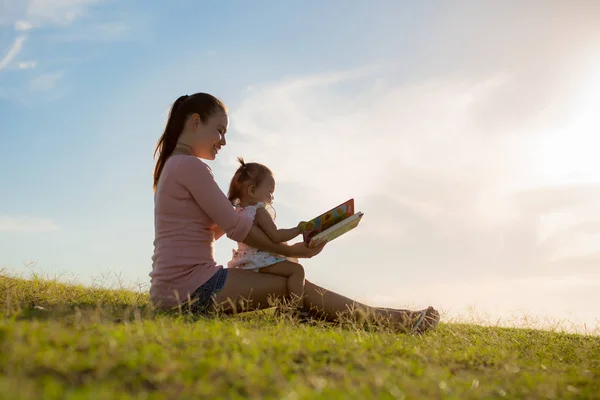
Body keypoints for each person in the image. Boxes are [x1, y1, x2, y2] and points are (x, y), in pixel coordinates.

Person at [149, 92, 440, 333]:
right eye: (220, 130)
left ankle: (379, 319)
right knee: (294, 286)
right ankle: (395, 322)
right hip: (190, 289)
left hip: (177, 287)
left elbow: (219, 227)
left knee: (294, 286)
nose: (223, 141)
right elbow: (237, 229)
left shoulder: (176, 166)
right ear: (196, 122)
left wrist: (243, 210)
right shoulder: (190, 166)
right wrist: (294, 251)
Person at [226, 157, 309, 309]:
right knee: (297, 270)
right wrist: (298, 229)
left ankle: (286, 308)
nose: (272, 197)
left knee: (286, 271)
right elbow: (275, 236)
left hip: (244, 260)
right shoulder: (259, 211)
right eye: (270, 192)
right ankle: (297, 309)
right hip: (259, 259)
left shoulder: (238, 212)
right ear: (252, 190)